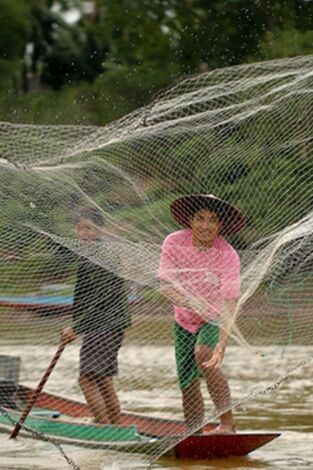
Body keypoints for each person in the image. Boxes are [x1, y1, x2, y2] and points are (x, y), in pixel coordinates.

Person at [159, 194, 245, 433]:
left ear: (220, 225)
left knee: (205, 354)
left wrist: (223, 344)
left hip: (213, 317)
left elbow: (229, 303)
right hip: (184, 320)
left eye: (213, 220)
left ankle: (227, 423)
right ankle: (195, 431)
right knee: (187, 382)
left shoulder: (228, 254)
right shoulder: (174, 242)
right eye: (200, 219)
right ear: (191, 221)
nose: (206, 225)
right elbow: (165, 285)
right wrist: (189, 302)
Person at [61, 207, 130, 425]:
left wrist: (76, 328)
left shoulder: (99, 257)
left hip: (104, 324)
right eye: (82, 229)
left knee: (86, 379)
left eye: (91, 229)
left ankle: (103, 426)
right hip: (109, 325)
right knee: (103, 378)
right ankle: (115, 426)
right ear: (76, 230)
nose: (86, 234)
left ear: (99, 231)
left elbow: (101, 298)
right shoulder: (91, 254)